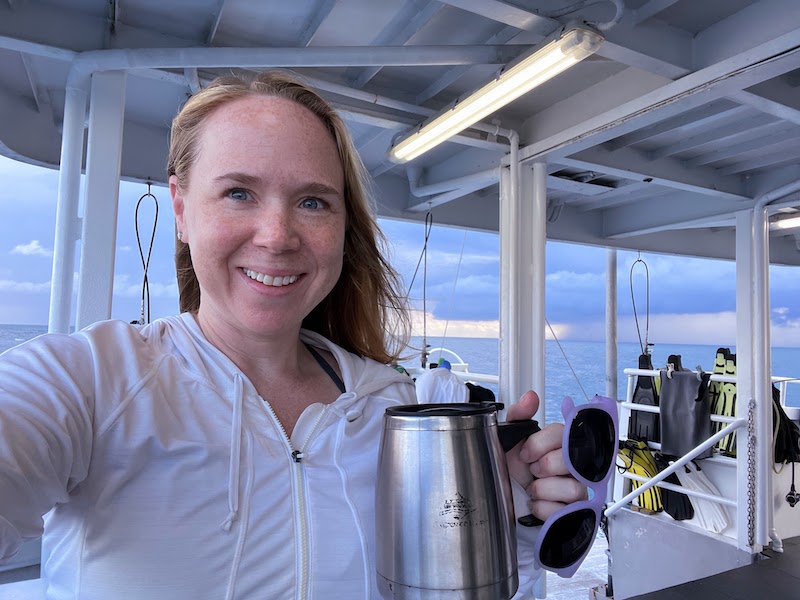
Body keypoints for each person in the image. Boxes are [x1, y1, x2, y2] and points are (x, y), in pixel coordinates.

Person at [0, 70, 585, 599]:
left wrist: (494, 518)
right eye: (238, 193)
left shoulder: (392, 405)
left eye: (312, 201)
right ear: (180, 208)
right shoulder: (90, 382)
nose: (277, 236)